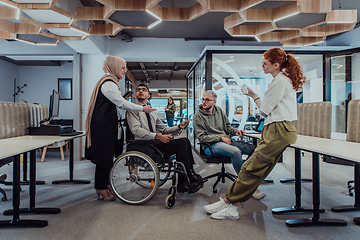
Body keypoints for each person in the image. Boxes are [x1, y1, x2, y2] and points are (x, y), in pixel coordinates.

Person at [204, 47, 304, 220]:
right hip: (278, 129)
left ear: (276, 64)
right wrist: (254, 96)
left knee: (250, 170)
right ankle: (230, 203)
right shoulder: (282, 80)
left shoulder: (280, 81)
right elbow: (267, 109)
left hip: (277, 130)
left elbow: (263, 111)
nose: (262, 66)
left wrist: (255, 97)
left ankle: (230, 203)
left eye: (265, 63)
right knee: (257, 171)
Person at [85, 55, 155, 202]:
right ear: (114, 67)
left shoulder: (111, 83)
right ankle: (101, 188)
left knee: (107, 159)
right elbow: (122, 103)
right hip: (104, 129)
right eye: (122, 68)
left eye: (125, 68)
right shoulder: (108, 83)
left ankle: (105, 184)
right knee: (103, 160)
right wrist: (143, 108)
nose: (124, 71)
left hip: (108, 128)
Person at [126, 84, 204, 193]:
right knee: (181, 144)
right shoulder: (132, 110)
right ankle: (185, 180)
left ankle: (189, 174)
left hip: (155, 144)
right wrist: (157, 136)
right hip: (143, 145)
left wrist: (178, 127)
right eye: (138, 90)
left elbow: (164, 129)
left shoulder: (152, 112)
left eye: (144, 90)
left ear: (148, 95)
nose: (140, 91)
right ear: (135, 95)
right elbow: (136, 130)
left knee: (184, 141)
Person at [193, 90, 264, 199]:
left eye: (207, 99)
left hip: (226, 141)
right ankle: (246, 186)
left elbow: (227, 128)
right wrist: (220, 138)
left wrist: (236, 131)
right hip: (210, 145)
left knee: (255, 150)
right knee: (235, 152)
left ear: (214, 101)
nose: (204, 102)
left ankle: (244, 175)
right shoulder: (198, 116)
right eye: (203, 99)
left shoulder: (219, 111)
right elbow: (202, 137)